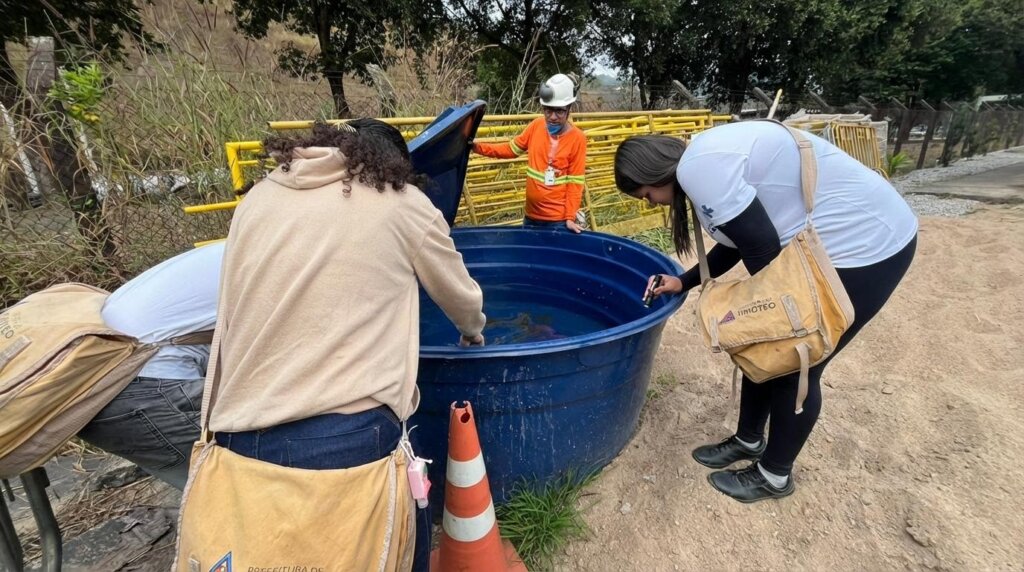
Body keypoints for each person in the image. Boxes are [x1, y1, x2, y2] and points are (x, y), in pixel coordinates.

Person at [204, 119, 486, 571]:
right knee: (400, 543)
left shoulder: (258, 198)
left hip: (240, 429)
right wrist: (473, 331)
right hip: (349, 437)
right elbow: (462, 298)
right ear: (395, 167)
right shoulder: (402, 203)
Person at [614, 121, 917, 503]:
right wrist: (684, 282)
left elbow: (761, 246)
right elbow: (743, 237)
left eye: (646, 195)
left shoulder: (699, 170)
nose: (652, 203)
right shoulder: (700, 163)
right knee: (760, 345)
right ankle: (748, 439)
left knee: (796, 359)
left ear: (653, 173)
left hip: (867, 245)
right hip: (825, 242)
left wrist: (772, 317)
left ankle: (774, 475)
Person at [79, 241, 223, 489]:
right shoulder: (296, 262)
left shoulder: (243, 245)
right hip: (138, 388)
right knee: (246, 490)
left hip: (93, 378)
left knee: (224, 496)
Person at [472, 73, 588, 232]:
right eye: (548, 110)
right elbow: (510, 150)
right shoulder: (536, 126)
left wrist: (569, 217)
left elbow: (575, 183)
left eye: (559, 111)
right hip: (531, 217)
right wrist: (477, 147)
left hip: (557, 221)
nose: (552, 117)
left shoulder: (578, 139)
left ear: (569, 108)